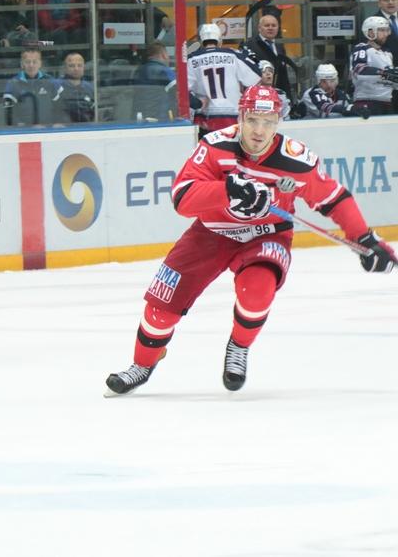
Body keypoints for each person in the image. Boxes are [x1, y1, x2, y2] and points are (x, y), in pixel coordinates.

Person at [105, 84, 395, 395]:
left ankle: (239, 346)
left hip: (266, 235)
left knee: (257, 290)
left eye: (268, 122)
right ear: (240, 117)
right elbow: (181, 198)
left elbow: (333, 199)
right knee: (161, 307)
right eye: (253, 120)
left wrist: (365, 238)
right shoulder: (214, 146)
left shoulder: (295, 159)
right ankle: (142, 365)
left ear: (278, 123)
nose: (259, 130)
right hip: (211, 234)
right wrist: (226, 189)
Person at [187, 23, 261, 133]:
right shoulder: (233, 55)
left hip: (205, 120)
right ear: (219, 39)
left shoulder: (192, 59)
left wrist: (197, 102)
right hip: (231, 117)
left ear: (201, 40)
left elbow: (181, 89)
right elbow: (256, 76)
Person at [2, 48, 64, 126]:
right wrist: (24, 127)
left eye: (34, 62)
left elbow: (60, 108)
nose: (31, 65)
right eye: (27, 62)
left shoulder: (51, 82)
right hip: (23, 133)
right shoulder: (12, 84)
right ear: (22, 64)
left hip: (48, 131)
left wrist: (57, 123)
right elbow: (9, 113)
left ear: (40, 63)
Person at [241, 14, 295, 101]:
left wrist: (289, 98)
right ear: (259, 28)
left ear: (278, 28)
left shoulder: (279, 46)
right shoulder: (249, 45)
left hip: (276, 96)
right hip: (257, 96)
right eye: (267, 25)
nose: (270, 28)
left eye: (274, 25)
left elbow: (283, 74)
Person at [350, 16, 396, 118]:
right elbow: (359, 71)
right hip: (367, 101)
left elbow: (391, 80)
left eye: (387, 30)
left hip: (387, 102)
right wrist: (385, 73)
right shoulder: (362, 48)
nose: (386, 34)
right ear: (370, 32)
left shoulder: (387, 53)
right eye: (381, 30)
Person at [58, 51, 94, 123]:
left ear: (84, 67)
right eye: (72, 66)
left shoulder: (90, 88)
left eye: (79, 65)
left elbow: (96, 112)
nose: (76, 69)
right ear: (65, 68)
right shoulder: (56, 87)